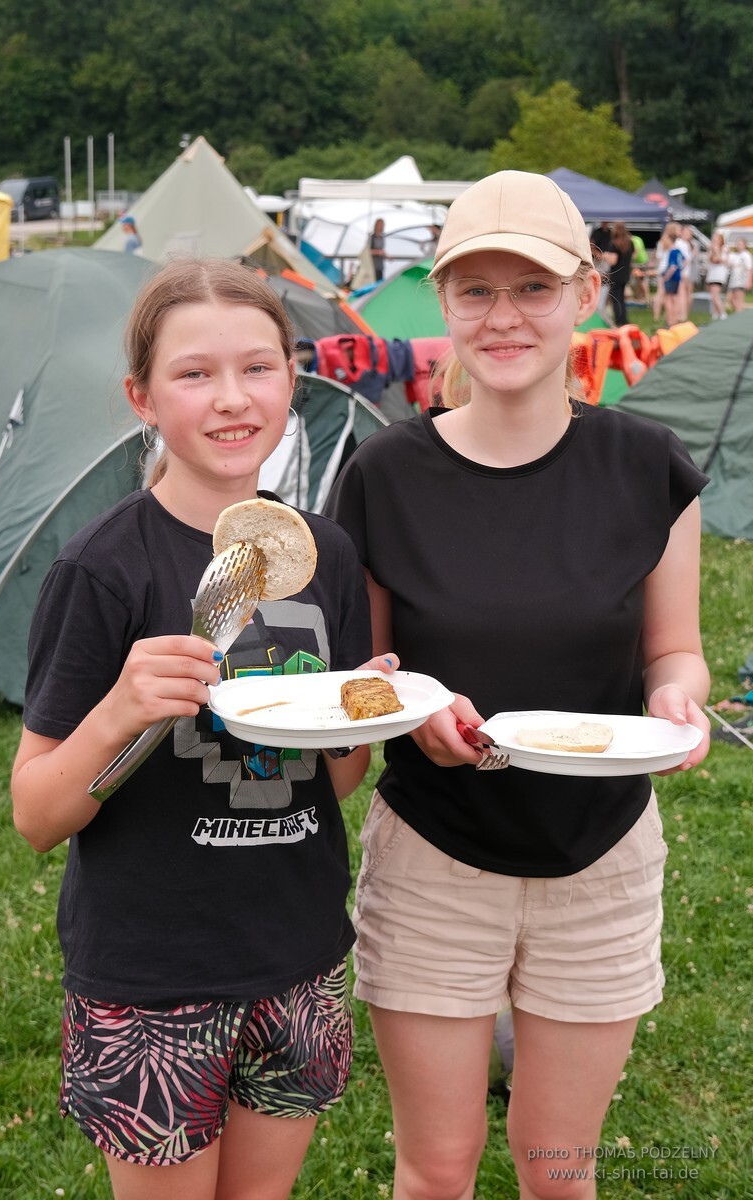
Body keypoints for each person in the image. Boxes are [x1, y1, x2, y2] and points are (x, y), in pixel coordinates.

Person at [326, 169, 711, 1200]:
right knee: (436, 1169)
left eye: (532, 288)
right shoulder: (382, 478)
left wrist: (677, 700)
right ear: (441, 301)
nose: (503, 318)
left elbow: (674, 650)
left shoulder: (646, 467)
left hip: (602, 859)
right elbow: (367, 680)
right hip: (434, 858)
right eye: (475, 291)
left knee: (556, 1168)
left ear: (584, 294)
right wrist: (411, 715)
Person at [11, 258, 396, 1200]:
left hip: (299, 952)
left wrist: (357, 718)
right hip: (152, 972)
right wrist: (117, 714)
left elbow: (331, 784)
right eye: (194, 374)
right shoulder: (106, 570)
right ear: (142, 396)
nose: (232, 399)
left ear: (293, 380)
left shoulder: (326, 556)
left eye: (258, 368)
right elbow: (35, 813)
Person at [603, 221, 634, 326]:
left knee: (616, 299)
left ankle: (619, 319)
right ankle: (624, 319)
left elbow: (613, 261)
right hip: (625, 274)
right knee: (622, 298)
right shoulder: (630, 242)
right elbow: (633, 255)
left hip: (616, 274)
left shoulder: (614, 243)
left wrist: (605, 255)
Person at [662, 232, 686, 328]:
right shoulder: (678, 251)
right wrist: (681, 270)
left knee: (668, 298)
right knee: (675, 298)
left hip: (671, 277)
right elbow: (684, 261)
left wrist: (666, 276)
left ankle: (670, 319)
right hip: (677, 277)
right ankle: (675, 319)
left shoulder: (672, 251)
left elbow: (672, 266)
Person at [705, 232, 730, 320]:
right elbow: (710, 260)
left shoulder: (724, 249)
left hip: (719, 274)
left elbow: (720, 260)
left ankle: (723, 313)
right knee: (713, 294)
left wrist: (716, 250)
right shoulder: (711, 249)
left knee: (715, 295)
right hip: (712, 274)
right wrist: (711, 250)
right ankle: (715, 313)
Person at [726, 237, 752, 313]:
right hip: (733, 281)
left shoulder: (746, 255)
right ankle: (739, 313)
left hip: (741, 281)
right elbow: (728, 264)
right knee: (730, 299)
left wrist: (749, 281)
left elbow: (749, 269)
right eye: (737, 244)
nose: (738, 245)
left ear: (744, 245)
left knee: (739, 300)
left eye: (740, 244)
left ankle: (739, 314)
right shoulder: (734, 255)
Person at [369, 217, 388, 281]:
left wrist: (386, 255)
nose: (381, 226)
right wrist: (378, 252)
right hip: (372, 266)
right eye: (379, 224)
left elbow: (381, 250)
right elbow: (368, 251)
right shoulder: (372, 237)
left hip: (380, 266)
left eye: (382, 224)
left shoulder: (382, 237)